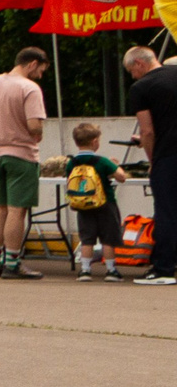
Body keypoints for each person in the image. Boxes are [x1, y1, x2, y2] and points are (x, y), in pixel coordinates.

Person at [0, 47, 50, 281]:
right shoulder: (29, 88)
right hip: (20, 153)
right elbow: (34, 126)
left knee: (0, 208)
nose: (40, 74)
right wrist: (38, 133)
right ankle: (13, 263)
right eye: (40, 69)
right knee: (17, 211)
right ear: (32, 63)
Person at [128, 46, 177, 285]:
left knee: (167, 212)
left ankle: (164, 269)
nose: (132, 76)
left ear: (139, 63)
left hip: (168, 154)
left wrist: (151, 159)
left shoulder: (141, 87)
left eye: (131, 71)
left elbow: (147, 130)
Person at [64, 122, 129, 282]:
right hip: (105, 203)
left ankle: (85, 270)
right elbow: (121, 177)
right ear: (94, 142)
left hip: (82, 205)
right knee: (108, 238)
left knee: (87, 239)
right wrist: (115, 166)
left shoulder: (72, 163)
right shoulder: (102, 161)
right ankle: (111, 270)